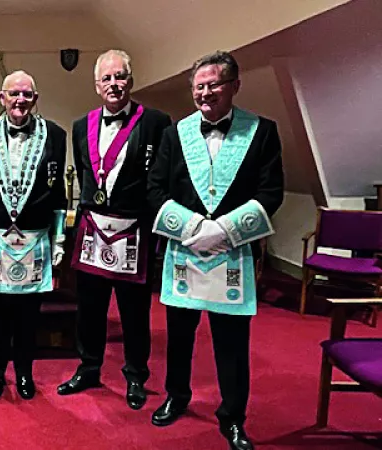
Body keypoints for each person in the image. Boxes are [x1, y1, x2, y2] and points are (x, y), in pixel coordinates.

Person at [146, 51, 283, 450]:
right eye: (199, 86)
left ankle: (233, 416)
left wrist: (222, 230)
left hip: (231, 252)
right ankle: (177, 395)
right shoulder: (175, 134)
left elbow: (270, 192)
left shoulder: (262, 131)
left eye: (214, 85)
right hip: (185, 251)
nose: (206, 93)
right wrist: (193, 228)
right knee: (179, 335)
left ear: (235, 86)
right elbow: (156, 189)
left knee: (231, 341)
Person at [57, 50, 171, 410]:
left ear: (131, 81)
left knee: (134, 311)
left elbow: (161, 177)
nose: (113, 84)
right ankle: (89, 367)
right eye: (106, 78)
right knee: (88, 308)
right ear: (96, 85)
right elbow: (86, 173)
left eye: (120, 76)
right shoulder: (81, 126)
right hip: (92, 227)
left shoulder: (155, 121)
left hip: (133, 229)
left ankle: (136, 375)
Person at [0, 70, 67, 401]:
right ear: (2, 97)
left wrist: (59, 238)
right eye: (14, 93)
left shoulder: (56, 135)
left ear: (35, 99)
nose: (21, 100)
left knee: (28, 318)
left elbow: (58, 192)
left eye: (27, 94)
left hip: (35, 240)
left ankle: (24, 372)